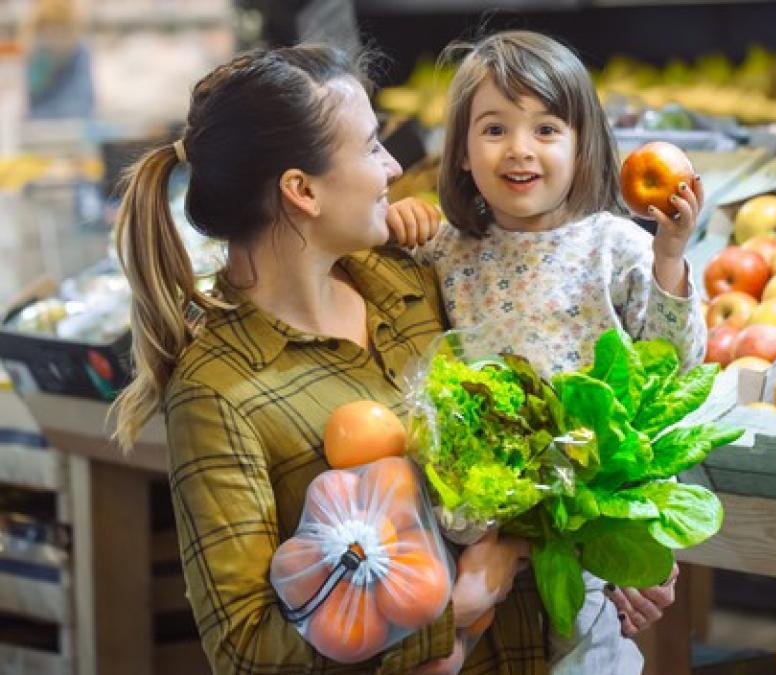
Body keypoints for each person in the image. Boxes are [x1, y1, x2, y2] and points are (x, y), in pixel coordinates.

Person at [111, 44, 543, 674]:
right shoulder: (221, 392)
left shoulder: (409, 283)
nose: (394, 166)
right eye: (371, 146)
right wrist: (457, 606)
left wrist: (607, 560)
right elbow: (247, 652)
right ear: (301, 190)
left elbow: (526, 438)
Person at [390, 30, 704, 674]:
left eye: (546, 130)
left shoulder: (614, 245)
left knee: (586, 648)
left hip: (585, 504)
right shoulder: (450, 249)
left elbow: (670, 365)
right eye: (495, 129)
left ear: (583, 144)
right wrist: (401, 223)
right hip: (484, 518)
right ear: (460, 153)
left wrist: (670, 256)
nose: (520, 150)